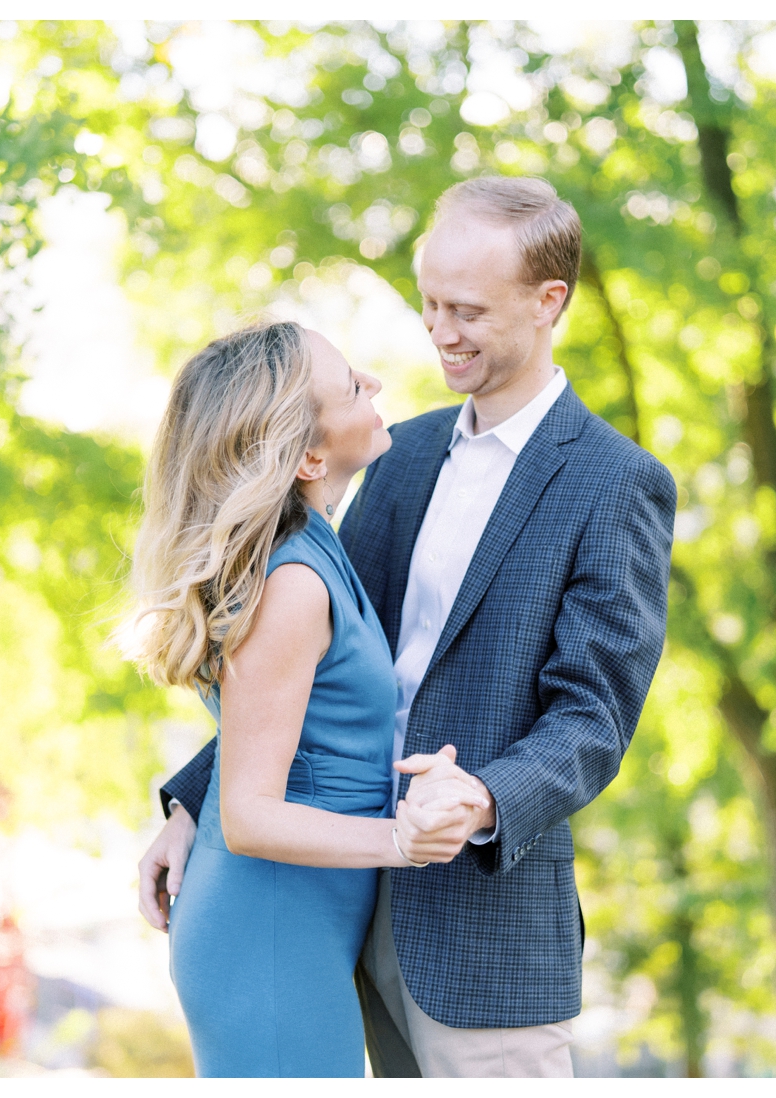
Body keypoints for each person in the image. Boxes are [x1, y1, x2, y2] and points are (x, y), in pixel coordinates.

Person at [141, 175, 676, 1077]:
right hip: (333, 896)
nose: (439, 330)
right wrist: (197, 803)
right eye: (430, 301)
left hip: (480, 927)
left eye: (467, 309)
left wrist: (485, 800)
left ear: (551, 302)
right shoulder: (399, 452)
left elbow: (593, 717)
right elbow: (306, 659)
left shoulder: (615, 483)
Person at [116, 320, 488, 1077]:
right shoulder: (292, 584)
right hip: (268, 932)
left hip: (299, 922)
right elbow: (251, 815)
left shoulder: (317, 546)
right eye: (353, 385)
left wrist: (188, 807)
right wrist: (402, 842)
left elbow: (287, 734)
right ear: (310, 455)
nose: (377, 386)